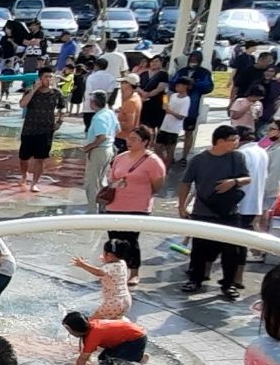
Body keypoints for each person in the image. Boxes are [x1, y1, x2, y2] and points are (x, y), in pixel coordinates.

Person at [177, 125, 255, 299]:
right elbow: (185, 183)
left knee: (231, 250)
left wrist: (234, 182)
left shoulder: (237, 157)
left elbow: (247, 178)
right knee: (199, 249)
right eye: (232, 140)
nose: (236, 143)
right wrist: (181, 206)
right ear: (220, 141)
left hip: (228, 211)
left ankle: (228, 283)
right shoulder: (199, 160)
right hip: (203, 211)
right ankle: (195, 279)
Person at [100, 126, 168, 278]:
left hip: (138, 206)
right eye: (128, 138)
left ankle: (134, 272)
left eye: (134, 139)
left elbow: (157, 185)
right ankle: (115, 271)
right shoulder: (121, 157)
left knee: (130, 240)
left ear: (145, 142)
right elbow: (112, 177)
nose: (129, 142)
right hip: (116, 204)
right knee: (114, 239)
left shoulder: (153, 161)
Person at [64, 310, 150, 365]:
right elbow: (86, 355)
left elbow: (83, 358)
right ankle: (138, 357)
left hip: (136, 339)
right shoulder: (91, 327)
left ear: (74, 329)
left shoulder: (94, 335)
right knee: (103, 359)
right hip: (128, 338)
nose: (69, 333)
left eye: (68, 330)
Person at [71, 240, 133, 321]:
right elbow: (112, 270)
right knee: (115, 320)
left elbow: (98, 272)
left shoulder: (108, 268)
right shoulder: (122, 262)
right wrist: (106, 260)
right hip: (126, 300)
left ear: (109, 255)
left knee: (93, 322)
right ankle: (125, 325)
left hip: (113, 303)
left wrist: (83, 265)